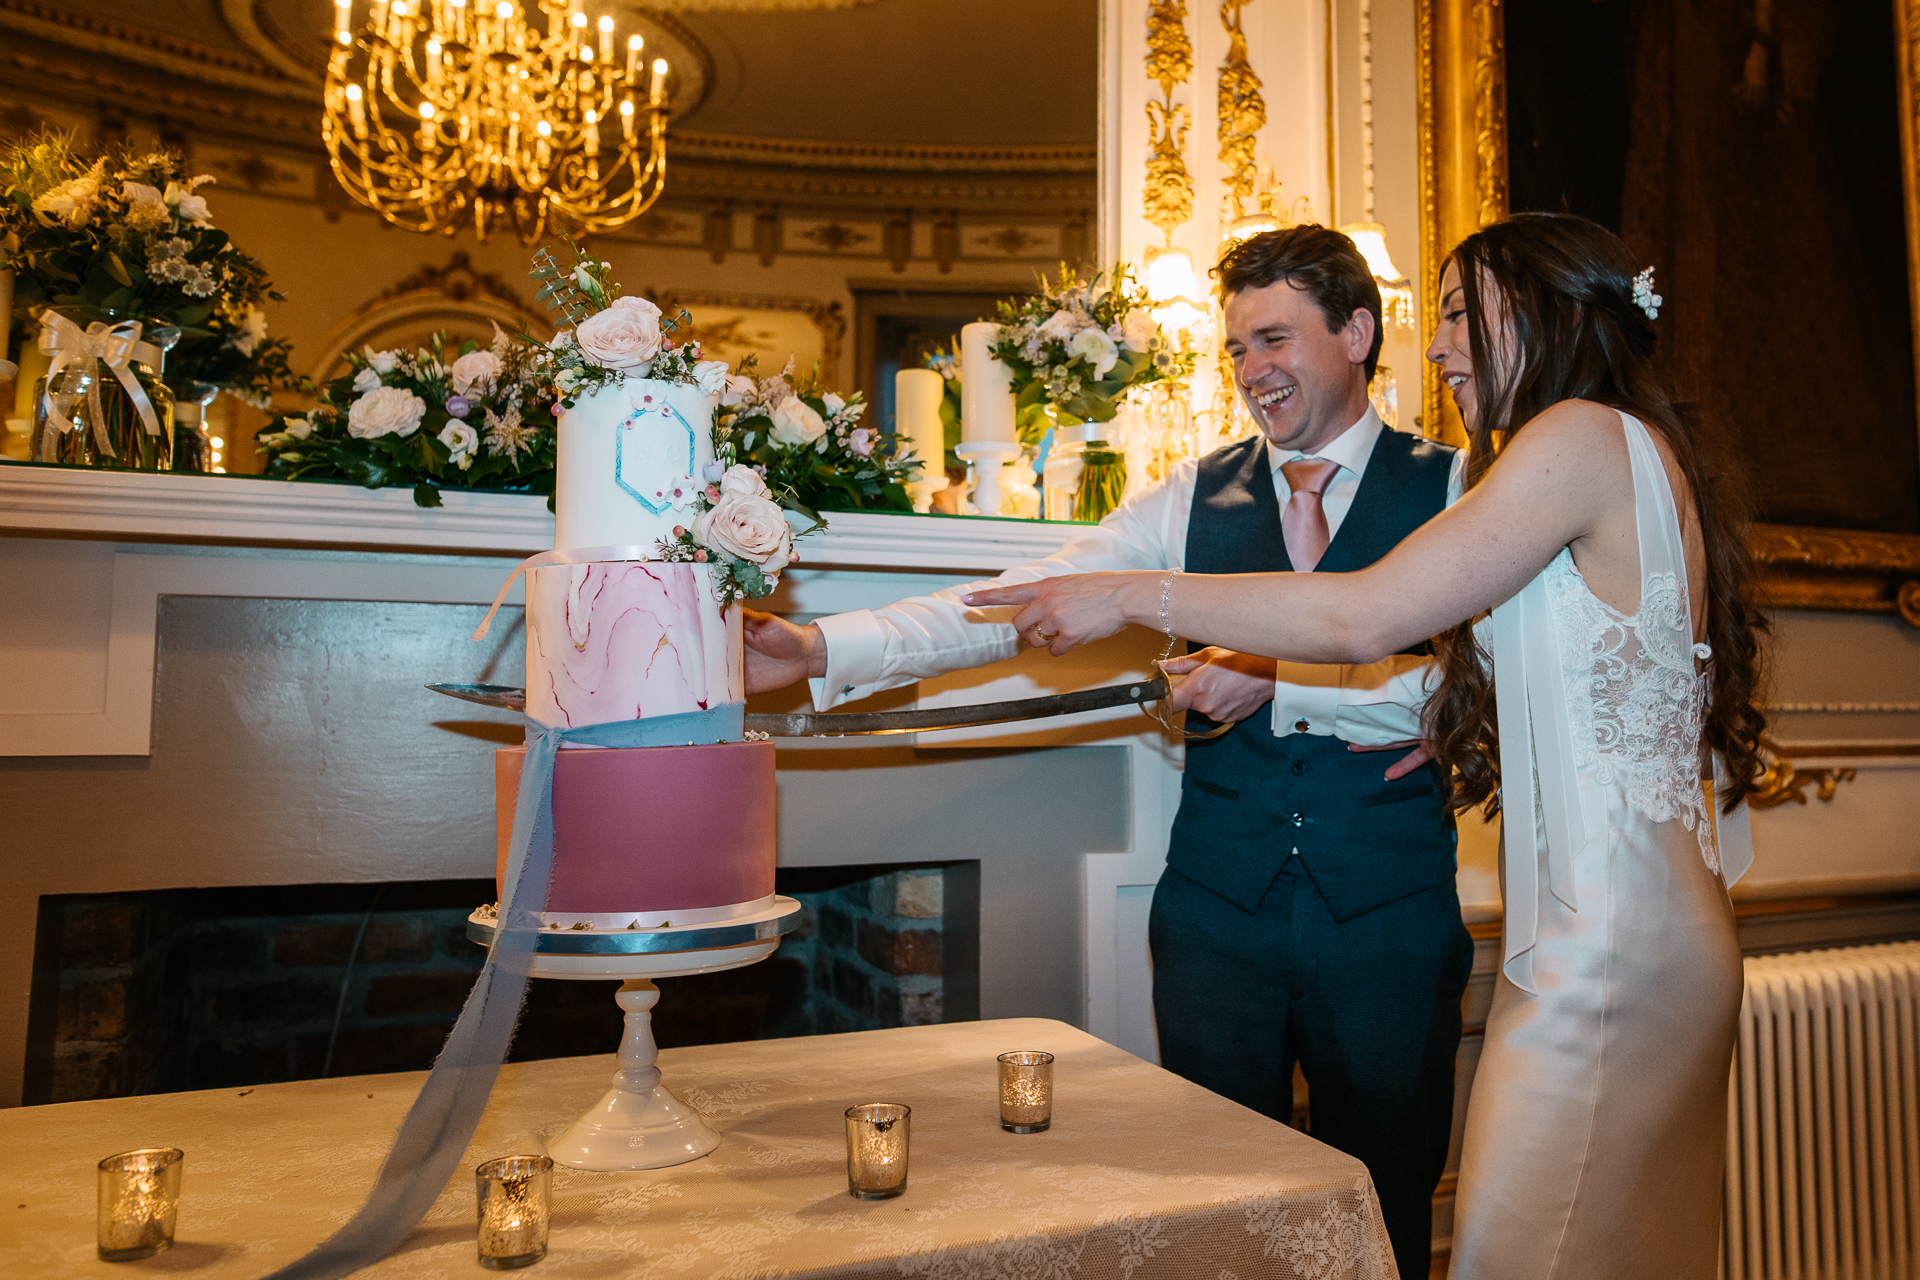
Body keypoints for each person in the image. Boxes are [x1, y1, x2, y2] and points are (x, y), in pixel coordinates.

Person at [967, 212, 1769, 1279]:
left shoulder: (1572, 436)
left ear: (1541, 309)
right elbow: (1457, 685)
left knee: (1516, 1246)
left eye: (1454, 314)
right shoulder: (1627, 448)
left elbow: (1362, 618)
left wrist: (1124, 593)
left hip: (1608, 946)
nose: (1433, 349)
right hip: (1627, 923)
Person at [745, 225, 1471, 1279]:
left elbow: (1489, 689)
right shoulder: (1194, 495)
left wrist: (1278, 672)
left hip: (1392, 917)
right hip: (1218, 915)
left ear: (1356, 331)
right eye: (1237, 348)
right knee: (1221, 1209)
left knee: (1390, 1202)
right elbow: (1016, 604)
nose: (1253, 370)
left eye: (1275, 337)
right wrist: (821, 646)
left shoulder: (1455, 488)